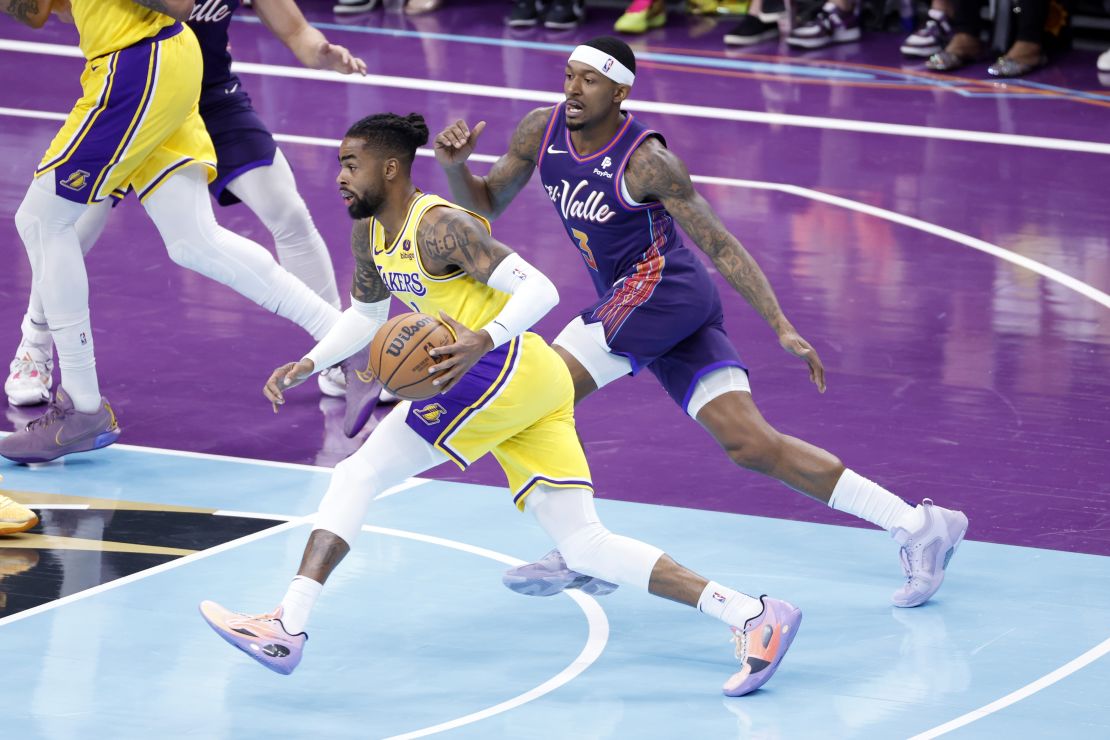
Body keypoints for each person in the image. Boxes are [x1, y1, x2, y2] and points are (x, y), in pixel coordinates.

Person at [199, 113, 802, 697]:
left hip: (497, 369)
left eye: (350, 164)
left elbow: (539, 287)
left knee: (357, 473)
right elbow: (365, 316)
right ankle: (752, 615)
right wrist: (312, 360)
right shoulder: (369, 235)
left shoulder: (440, 228)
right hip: (534, 383)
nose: (339, 176)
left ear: (389, 169)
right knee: (584, 546)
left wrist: (480, 339)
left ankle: (287, 625)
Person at [434, 36, 968, 609]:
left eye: (588, 80)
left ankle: (584, 546)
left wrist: (780, 323)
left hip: (660, 293)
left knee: (537, 388)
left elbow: (719, 243)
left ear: (620, 91)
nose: (572, 89)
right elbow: (486, 204)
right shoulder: (540, 131)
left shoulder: (646, 161)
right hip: (653, 303)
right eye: (569, 75)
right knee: (751, 444)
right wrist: (457, 169)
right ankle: (918, 526)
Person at [0, 0, 377, 465]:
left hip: (138, 64)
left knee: (41, 219)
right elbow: (36, 11)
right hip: (151, 65)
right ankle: (352, 344)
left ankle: (81, 408)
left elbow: (180, 3)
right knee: (193, 241)